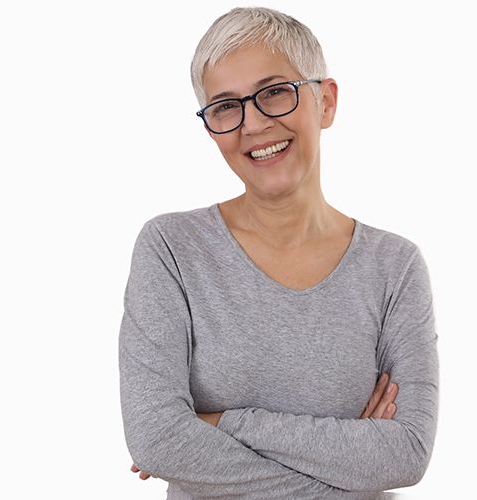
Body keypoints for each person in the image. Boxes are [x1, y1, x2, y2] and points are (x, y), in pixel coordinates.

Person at [119, 6, 439, 499]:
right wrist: (350, 471)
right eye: (226, 106)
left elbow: (407, 452)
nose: (253, 124)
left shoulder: (394, 267)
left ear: (326, 102)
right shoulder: (172, 250)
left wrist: (219, 422)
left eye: (273, 93)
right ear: (210, 127)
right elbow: (158, 438)